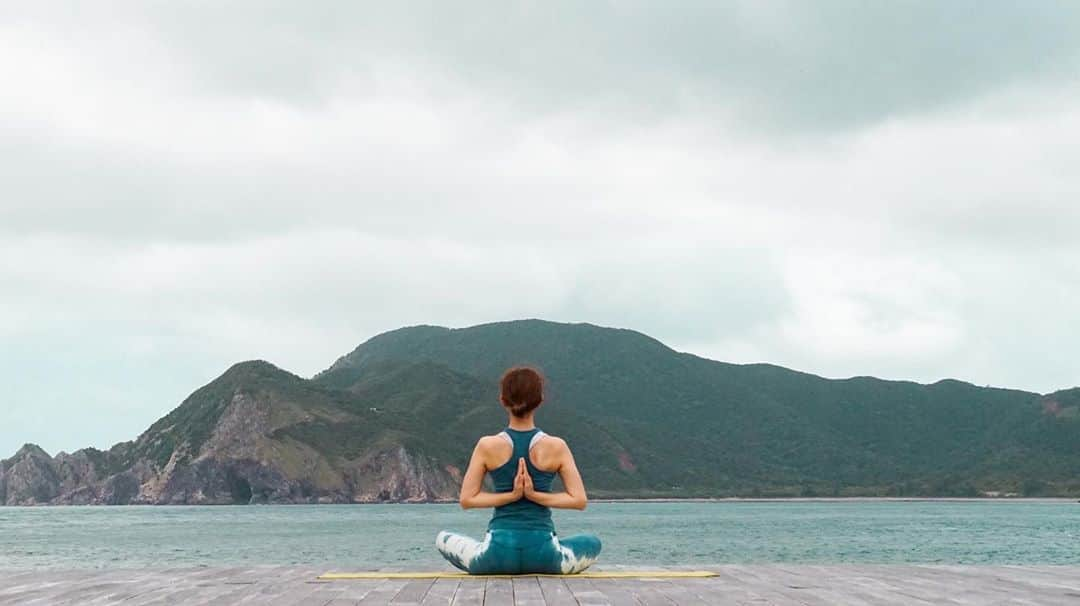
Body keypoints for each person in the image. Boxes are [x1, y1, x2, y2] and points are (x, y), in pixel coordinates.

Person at [435, 366, 602, 575]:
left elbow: (468, 500)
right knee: (593, 542)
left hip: (496, 555)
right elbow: (578, 500)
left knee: (442, 538)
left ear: (503, 400)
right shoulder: (556, 446)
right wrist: (534, 496)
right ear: (540, 400)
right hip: (545, 555)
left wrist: (511, 496)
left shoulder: (487, 445)